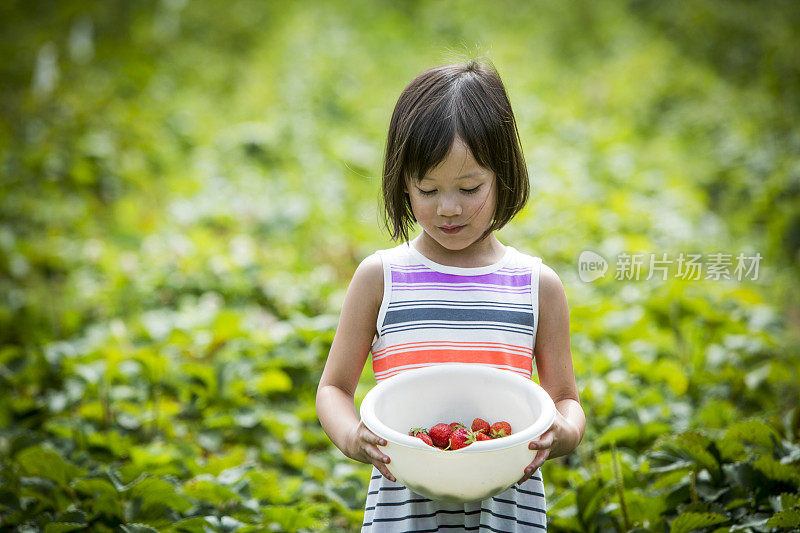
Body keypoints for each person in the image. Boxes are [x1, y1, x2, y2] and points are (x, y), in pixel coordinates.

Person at [316, 59, 585, 532]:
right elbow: (333, 389)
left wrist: (563, 432)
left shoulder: (536, 286)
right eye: (427, 188)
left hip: (506, 508)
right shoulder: (382, 278)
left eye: (469, 187)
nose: (448, 208)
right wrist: (352, 436)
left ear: (504, 176)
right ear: (402, 183)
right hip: (405, 508)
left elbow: (565, 399)